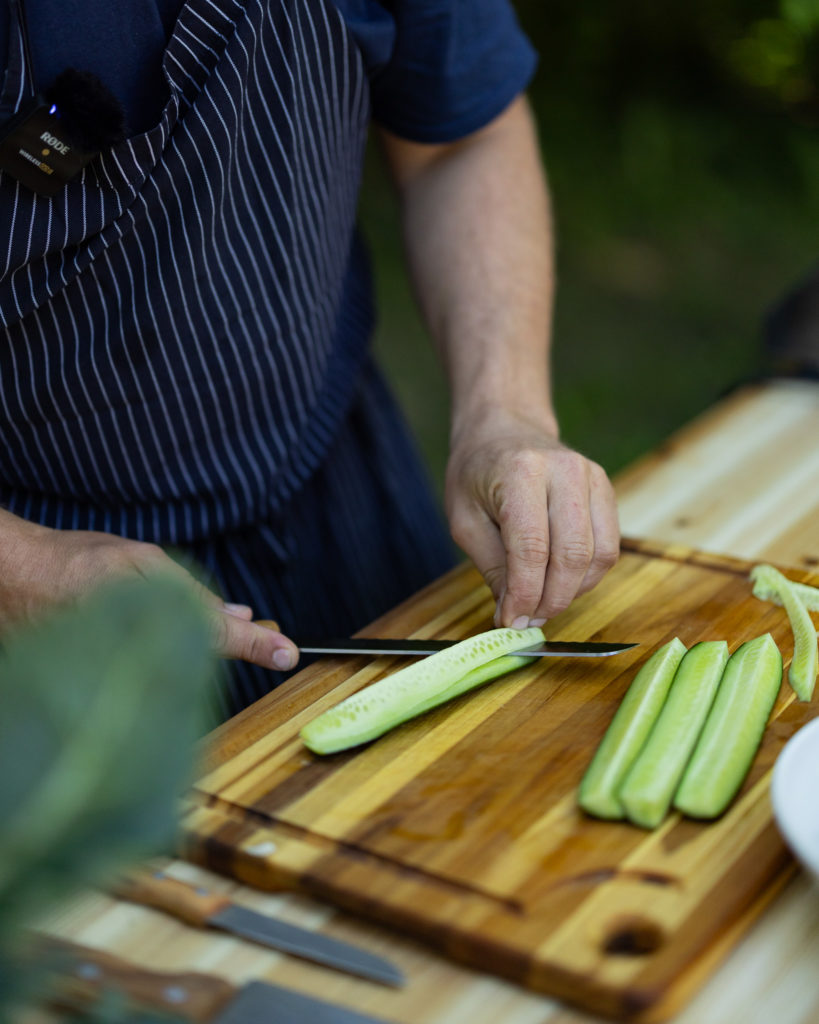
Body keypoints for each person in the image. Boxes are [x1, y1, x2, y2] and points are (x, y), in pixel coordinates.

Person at [0, 0, 620, 718]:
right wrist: (20, 567)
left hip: (338, 475)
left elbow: (459, 138)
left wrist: (503, 413)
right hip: (46, 585)